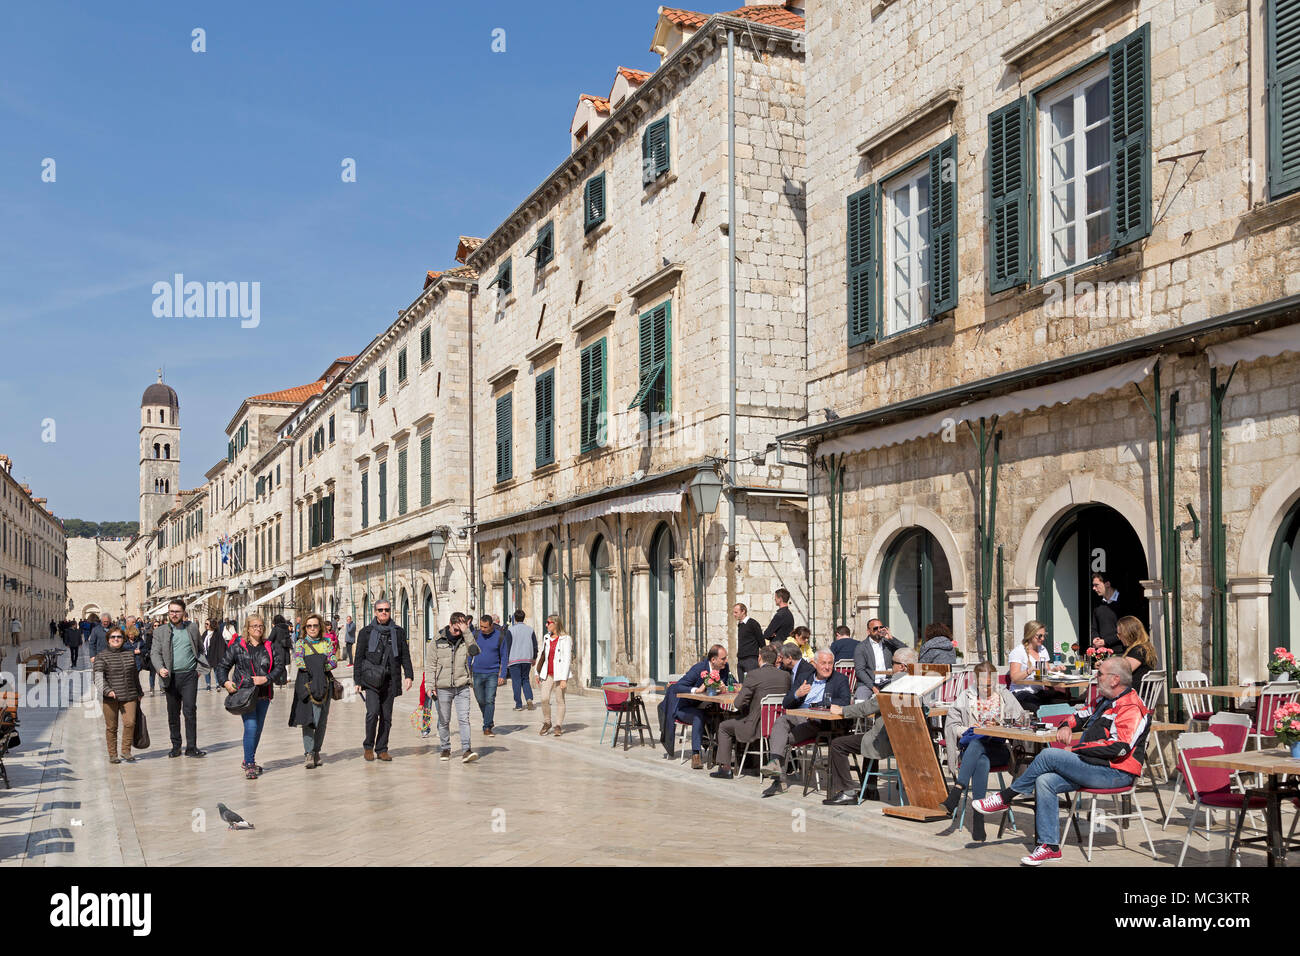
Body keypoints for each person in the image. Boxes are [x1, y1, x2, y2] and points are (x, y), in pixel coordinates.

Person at [973, 656, 1152, 865]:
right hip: (1093, 767)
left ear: (1114, 680)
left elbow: (1119, 748)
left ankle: (1005, 797)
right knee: (1045, 780)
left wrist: (1076, 750)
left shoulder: (1131, 706)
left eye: (1100, 674)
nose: (1096, 677)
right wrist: (1065, 725)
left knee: (1049, 755)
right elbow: (1080, 716)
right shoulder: (1104, 701)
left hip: (1116, 772)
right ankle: (1049, 846)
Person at [938, 660, 1027, 841]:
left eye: (989, 685)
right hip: (974, 749)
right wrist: (969, 730)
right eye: (982, 685)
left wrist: (1003, 726)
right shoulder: (966, 696)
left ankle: (957, 790)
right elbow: (952, 725)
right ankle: (978, 821)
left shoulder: (1004, 695)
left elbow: (1022, 719)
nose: (986, 689)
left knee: (979, 747)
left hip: (1000, 749)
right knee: (980, 756)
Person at [822, 646, 918, 804]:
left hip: (888, 741)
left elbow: (867, 708)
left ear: (902, 667)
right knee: (868, 737)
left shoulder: (894, 686)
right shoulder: (918, 684)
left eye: (892, 662)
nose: (890, 666)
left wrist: (843, 710)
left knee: (838, 744)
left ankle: (847, 791)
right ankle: (870, 789)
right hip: (907, 742)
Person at [760, 649, 852, 796]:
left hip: (818, 722)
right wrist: (797, 694)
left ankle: (777, 779)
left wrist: (817, 704)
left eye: (830, 663)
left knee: (780, 738)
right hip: (799, 716)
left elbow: (845, 701)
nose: (827, 667)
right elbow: (786, 703)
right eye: (823, 663)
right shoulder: (804, 677)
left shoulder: (839, 679)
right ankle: (775, 767)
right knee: (781, 720)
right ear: (814, 664)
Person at [217, 615, 284, 779]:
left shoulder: (269, 646)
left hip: (263, 694)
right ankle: (250, 764)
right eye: (254, 626)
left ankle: (247, 758)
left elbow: (279, 667)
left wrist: (267, 679)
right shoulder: (238, 646)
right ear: (247, 628)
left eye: (261, 626)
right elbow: (222, 666)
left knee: (258, 730)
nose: (258, 629)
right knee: (251, 727)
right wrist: (225, 682)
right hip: (245, 694)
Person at [709, 645, 791, 779]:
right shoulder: (785, 676)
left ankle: (726, 768)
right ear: (776, 659)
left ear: (760, 658)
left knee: (724, 727)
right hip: (778, 725)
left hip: (756, 726)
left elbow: (738, 703)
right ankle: (756, 764)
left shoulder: (753, 675)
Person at [355, 600, 414, 761]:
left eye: (386, 609)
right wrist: (357, 681)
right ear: (375, 612)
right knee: (373, 713)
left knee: (387, 717)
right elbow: (358, 657)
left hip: (390, 679)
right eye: (380, 610)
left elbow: (405, 655)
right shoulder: (365, 632)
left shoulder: (398, 632)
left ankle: (382, 748)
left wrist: (408, 675)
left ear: (390, 611)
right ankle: (368, 746)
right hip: (371, 680)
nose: (383, 612)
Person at [659, 643, 733, 769]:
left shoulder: (724, 668)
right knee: (698, 716)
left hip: (705, 705)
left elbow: (732, 682)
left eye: (726, 658)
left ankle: (717, 753)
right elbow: (678, 686)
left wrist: (726, 687)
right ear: (713, 660)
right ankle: (696, 755)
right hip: (683, 707)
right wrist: (696, 690)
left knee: (721, 715)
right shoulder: (699, 669)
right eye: (723, 658)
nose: (726, 661)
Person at [150, 599, 206, 758]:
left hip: (189, 676)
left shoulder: (193, 628)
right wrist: (160, 668)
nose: (174, 614)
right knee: (173, 713)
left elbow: (201, 649)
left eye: (177, 611)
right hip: (170, 677)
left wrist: (199, 669)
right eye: (171, 611)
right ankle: (176, 746)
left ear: (183, 613)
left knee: (190, 711)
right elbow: (155, 653)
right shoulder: (160, 631)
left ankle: (191, 747)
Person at [428, 612, 480, 762]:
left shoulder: (466, 638)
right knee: (444, 720)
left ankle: (466, 749)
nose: (458, 633)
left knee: (464, 718)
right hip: (443, 686)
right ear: (450, 624)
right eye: (456, 629)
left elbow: (475, 652)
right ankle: (445, 748)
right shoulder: (437, 640)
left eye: (460, 630)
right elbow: (430, 665)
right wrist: (430, 686)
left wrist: (467, 632)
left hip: (462, 685)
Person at [288, 613, 338, 769]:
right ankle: (308, 753)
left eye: (315, 625)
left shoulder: (327, 642)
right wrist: (320, 665)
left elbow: (333, 661)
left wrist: (316, 666)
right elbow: (299, 662)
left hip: (324, 685)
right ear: (305, 628)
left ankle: (316, 751)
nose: (312, 628)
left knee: (322, 720)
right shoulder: (301, 644)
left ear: (320, 627)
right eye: (309, 626)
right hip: (307, 685)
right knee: (310, 720)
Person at [93, 625, 141, 764]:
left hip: (129, 694)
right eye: (113, 637)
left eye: (119, 637)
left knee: (130, 723)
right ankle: (113, 754)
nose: (116, 639)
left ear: (123, 639)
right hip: (110, 698)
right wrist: (107, 690)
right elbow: (97, 677)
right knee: (112, 727)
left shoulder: (129, 654)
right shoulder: (101, 656)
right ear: (108, 639)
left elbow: (134, 675)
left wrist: (139, 691)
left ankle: (126, 751)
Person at [1008, 620, 1066, 711]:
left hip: (1038, 691)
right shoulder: (1018, 651)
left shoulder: (1042, 649)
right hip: (1021, 692)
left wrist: (1055, 670)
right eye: (1040, 636)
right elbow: (1014, 678)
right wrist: (1028, 671)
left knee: (1061, 701)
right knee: (1039, 707)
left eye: (1044, 635)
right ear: (1030, 635)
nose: (1042, 638)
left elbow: (1047, 673)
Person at [533, 615, 573, 739]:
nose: (546, 625)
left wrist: (564, 679)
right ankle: (547, 722)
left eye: (548, 622)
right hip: (547, 673)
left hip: (560, 674)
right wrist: (536, 672)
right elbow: (542, 655)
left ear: (555, 624)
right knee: (544, 698)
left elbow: (567, 659)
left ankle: (558, 725)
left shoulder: (566, 639)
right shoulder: (547, 638)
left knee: (560, 700)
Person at [469, 615, 508, 737]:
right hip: (477, 672)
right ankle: (489, 720)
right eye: (481, 626)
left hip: (492, 673)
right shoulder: (476, 635)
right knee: (481, 699)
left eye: (485, 627)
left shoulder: (500, 636)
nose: (483, 629)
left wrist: (502, 674)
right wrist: (467, 669)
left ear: (491, 625)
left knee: (490, 699)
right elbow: (470, 653)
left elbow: (504, 656)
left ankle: (487, 727)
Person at [852, 618, 905, 699]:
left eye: (881, 627)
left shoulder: (888, 643)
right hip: (868, 683)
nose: (879, 630)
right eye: (875, 628)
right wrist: (873, 687)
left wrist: (891, 638)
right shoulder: (861, 647)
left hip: (888, 681)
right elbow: (860, 670)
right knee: (860, 698)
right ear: (868, 631)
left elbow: (906, 651)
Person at [504, 610, 537, 712]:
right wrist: (534, 657)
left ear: (514, 618)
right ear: (524, 617)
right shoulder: (530, 630)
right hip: (527, 659)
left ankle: (518, 704)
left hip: (514, 659)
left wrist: (505, 660)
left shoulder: (511, 630)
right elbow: (535, 645)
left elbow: (507, 646)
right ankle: (529, 698)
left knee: (516, 681)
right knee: (525, 679)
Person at [1116, 616, 1156, 684]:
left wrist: (1104, 668)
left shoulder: (1138, 651)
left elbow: (1122, 672)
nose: (1119, 638)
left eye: (1120, 634)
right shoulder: (1145, 647)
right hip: (1141, 691)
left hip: (1134, 692)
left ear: (1129, 633)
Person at [1089, 573, 1122, 651]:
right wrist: (1095, 638)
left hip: (1121, 652)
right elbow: (1094, 627)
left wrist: (1105, 641)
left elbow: (1128, 630)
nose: (1093, 588)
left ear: (1107, 584)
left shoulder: (1125, 602)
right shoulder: (1097, 604)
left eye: (1096, 585)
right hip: (1102, 652)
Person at [733, 603, 765, 681]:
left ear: (743, 611)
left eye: (736, 612)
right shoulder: (740, 625)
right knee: (741, 686)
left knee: (752, 683)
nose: (734, 614)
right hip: (740, 659)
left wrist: (763, 656)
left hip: (751, 660)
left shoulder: (753, 623)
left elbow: (761, 641)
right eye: (733, 612)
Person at [269, 615, 293, 686]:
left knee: (277, 666)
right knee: (283, 667)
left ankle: (278, 681)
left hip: (277, 650)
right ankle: (283, 680)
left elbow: (271, 638)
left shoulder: (276, 628)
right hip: (285, 649)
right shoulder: (286, 627)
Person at [200, 618, 222, 690]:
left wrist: (220, 657)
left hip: (215, 655)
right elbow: (201, 643)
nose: (205, 625)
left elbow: (220, 646)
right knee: (207, 670)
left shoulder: (217, 634)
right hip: (206, 655)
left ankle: (217, 684)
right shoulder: (205, 633)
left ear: (211, 624)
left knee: (216, 670)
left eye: (207, 624)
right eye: (205, 624)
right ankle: (208, 684)